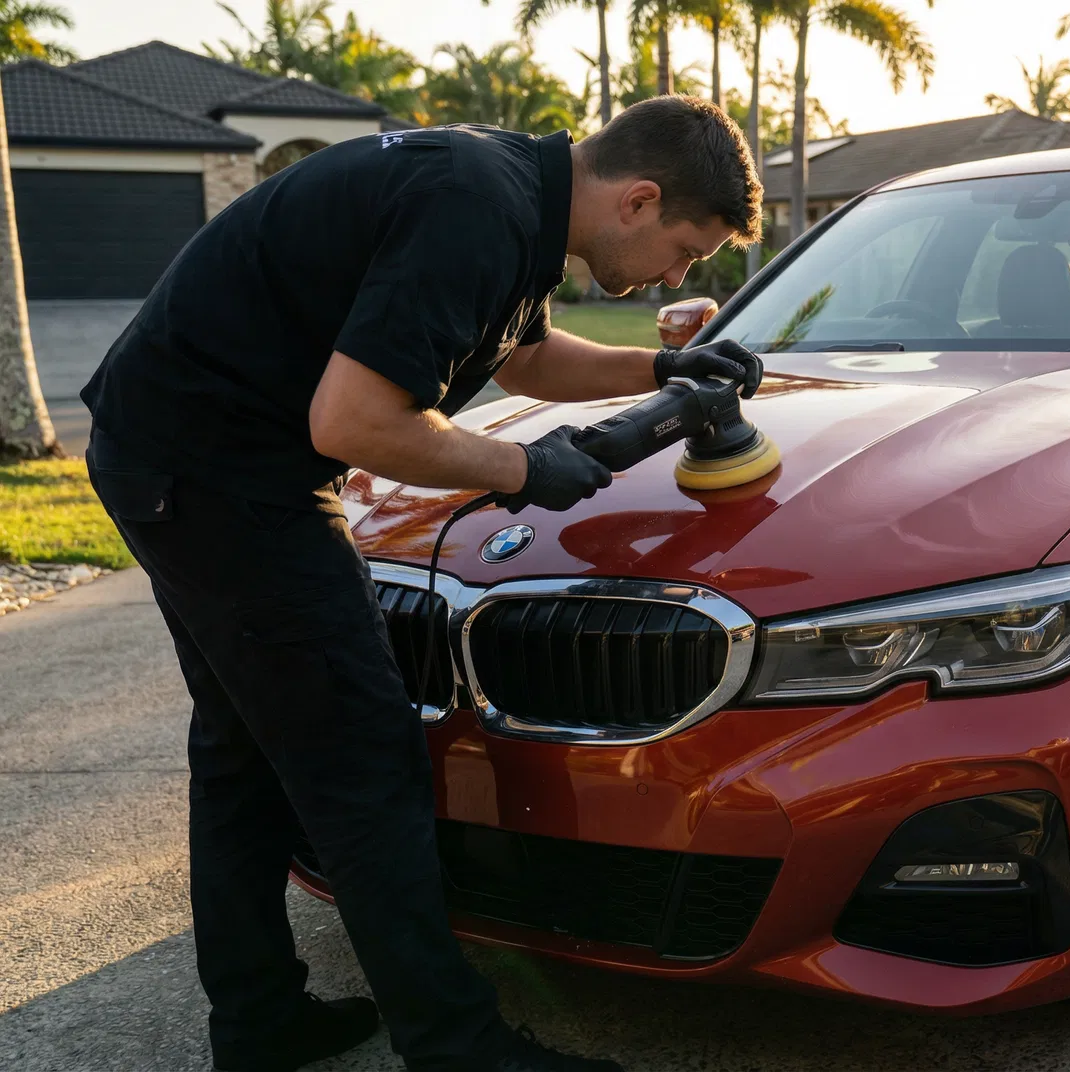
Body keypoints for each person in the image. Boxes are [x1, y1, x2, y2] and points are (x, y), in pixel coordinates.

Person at [80, 96, 764, 1072]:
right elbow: (353, 421)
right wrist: (525, 470)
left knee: (244, 749)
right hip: (219, 473)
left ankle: (259, 1023)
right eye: (685, 249)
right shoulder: (475, 204)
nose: (678, 275)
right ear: (640, 200)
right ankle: (458, 1047)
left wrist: (659, 364)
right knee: (362, 754)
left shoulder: (511, 197)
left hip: (175, 449)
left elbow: (522, 355)